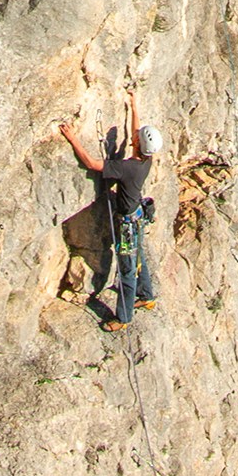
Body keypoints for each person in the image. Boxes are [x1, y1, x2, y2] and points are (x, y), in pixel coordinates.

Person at [59, 107, 163, 327]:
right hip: (137, 217)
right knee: (139, 257)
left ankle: (123, 319)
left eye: (137, 136)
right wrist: (134, 106)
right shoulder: (145, 160)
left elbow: (92, 164)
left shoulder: (126, 168)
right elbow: (137, 132)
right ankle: (146, 296)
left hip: (127, 224)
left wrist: (72, 138)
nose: (135, 134)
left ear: (137, 144)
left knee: (127, 270)